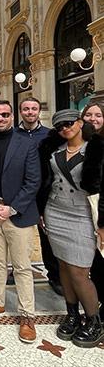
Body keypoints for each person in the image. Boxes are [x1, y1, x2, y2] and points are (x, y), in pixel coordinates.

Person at [0, 99, 41, 343]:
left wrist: (12, 209)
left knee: (23, 267)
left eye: (4, 115)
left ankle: (27, 315)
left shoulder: (27, 144)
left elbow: (33, 181)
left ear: (12, 116)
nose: (0, 119)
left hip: (18, 215)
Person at [39, 109, 104, 347]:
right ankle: (72, 315)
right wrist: (42, 210)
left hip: (82, 215)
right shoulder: (54, 151)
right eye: (59, 126)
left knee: (79, 272)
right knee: (64, 266)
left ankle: (94, 321)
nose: (65, 128)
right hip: (55, 211)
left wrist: (102, 224)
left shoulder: (96, 149)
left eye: (69, 123)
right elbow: (46, 182)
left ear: (79, 122)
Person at [15, 97, 61, 296]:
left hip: (44, 193)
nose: (30, 112)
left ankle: (55, 275)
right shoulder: (13, 134)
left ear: (38, 111)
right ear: (20, 111)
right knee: (17, 237)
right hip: (21, 193)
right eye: (26, 109)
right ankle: (16, 270)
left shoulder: (49, 135)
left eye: (33, 109)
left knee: (47, 236)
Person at [81, 100, 104, 320]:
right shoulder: (83, 142)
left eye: (98, 115)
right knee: (95, 258)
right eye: (88, 115)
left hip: (101, 206)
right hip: (86, 206)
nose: (93, 119)